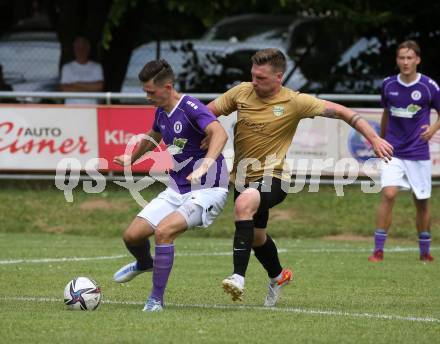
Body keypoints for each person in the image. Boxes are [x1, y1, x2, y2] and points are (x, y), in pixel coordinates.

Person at [204, 48, 393, 306]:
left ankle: (238, 277)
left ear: (278, 77)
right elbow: (204, 113)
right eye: (253, 76)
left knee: (244, 203)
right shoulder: (241, 92)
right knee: (257, 237)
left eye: (261, 78)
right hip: (243, 178)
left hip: (275, 177)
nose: (254, 82)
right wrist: (205, 131)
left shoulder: (295, 102)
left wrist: (373, 137)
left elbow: (343, 112)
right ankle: (278, 276)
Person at [112, 59, 229, 312]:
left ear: (168, 86)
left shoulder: (190, 106)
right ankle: (144, 263)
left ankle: (155, 300)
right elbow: (153, 135)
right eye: (145, 91)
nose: (147, 96)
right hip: (177, 189)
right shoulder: (161, 111)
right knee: (132, 236)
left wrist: (206, 164)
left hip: (209, 190)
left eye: (150, 92)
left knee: (164, 232)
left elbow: (219, 133)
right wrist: (131, 159)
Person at [368, 40, 440, 263]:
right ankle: (378, 250)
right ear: (397, 60)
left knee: (421, 201)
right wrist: (379, 140)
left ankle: (424, 251)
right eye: (401, 58)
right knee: (388, 194)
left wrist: (432, 130)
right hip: (393, 151)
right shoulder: (388, 84)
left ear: (417, 59)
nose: (405, 62)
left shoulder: (429, 86)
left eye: (410, 58)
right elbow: (386, 113)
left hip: (418, 153)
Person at [60, 36, 104, 104]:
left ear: (88, 49)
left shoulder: (97, 67)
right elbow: (65, 89)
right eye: (78, 48)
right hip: (71, 108)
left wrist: (76, 84)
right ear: (74, 49)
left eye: (83, 48)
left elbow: (99, 87)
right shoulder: (67, 68)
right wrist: (90, 88)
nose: (80, 51)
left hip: (91, 108)